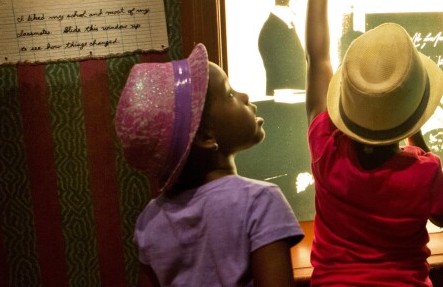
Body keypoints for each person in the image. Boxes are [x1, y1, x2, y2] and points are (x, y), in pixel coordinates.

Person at [300, 0, 443, 285]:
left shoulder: (325, 151)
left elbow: (318, 59)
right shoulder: (424, 171)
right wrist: (414, 131)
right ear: (416, 112)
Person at [115, 44, 304, 286]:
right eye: (230, 94)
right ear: (206, 137)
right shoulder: (261, 202)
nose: (245, 96)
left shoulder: (150, 220)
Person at [258, 0, 307, 96]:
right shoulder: (272, 31)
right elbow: (284, 79)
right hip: (286, 105)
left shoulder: (284, 26)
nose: (302, 2)